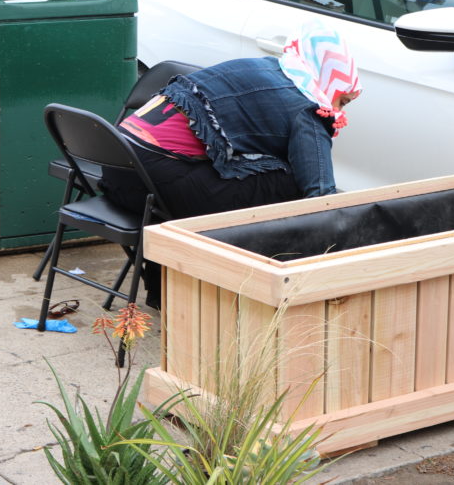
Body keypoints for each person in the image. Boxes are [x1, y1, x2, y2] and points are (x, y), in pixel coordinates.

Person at [101, 24, 361, 308]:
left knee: (250, 173)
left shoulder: (263, 67)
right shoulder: (309, 109)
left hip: (116, 170)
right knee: (287, 183)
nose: (341, 111)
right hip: (150, 185)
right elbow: (321, 198)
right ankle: (265, 286)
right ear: (328, 82)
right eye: (343, 100)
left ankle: (164, 292)